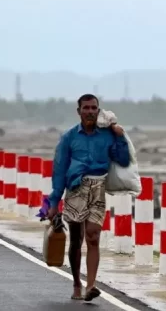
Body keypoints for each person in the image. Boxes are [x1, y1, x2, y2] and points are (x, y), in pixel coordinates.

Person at [47, 94, 130, 302]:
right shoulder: (69, 137)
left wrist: (119, 136)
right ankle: (77, 282)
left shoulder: (107, 135)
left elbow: (123, 159)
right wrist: (54, 201)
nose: (90, 111)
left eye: (94, 108)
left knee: (93, 236)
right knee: (76, 239)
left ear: (98, 111)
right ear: (79, 111)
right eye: (86, 108)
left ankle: (91, 285)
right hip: (76, 187)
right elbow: (59, 169)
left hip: (99, 186)